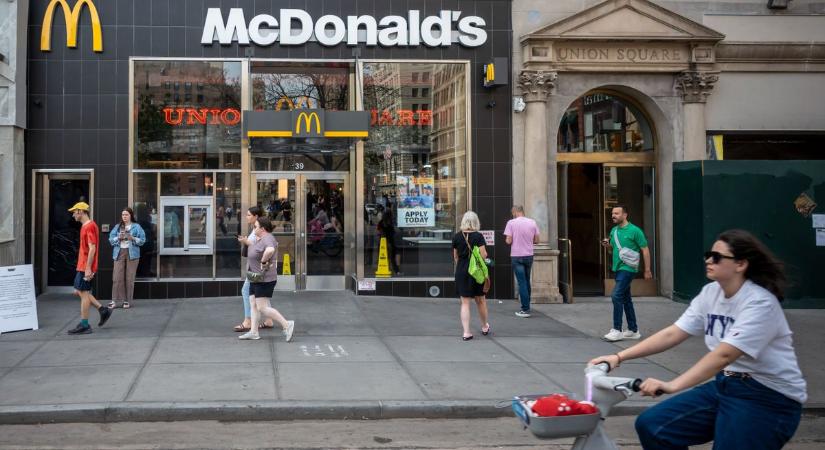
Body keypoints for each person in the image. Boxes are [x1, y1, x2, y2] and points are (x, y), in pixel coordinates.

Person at [589, 229, 807, 450]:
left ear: (740, 264)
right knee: (653, 426)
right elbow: (674, 333)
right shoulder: (711, 293)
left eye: (717, 257)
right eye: (708, 255)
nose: (709, 261)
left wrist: (672, 385)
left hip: (768, 397)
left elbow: (724, 355)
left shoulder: (760, 303)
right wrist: (619, 356)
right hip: (727, 385)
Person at [239, 216, 295, 342]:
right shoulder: (261, 238)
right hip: (255, 277)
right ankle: (254, 332)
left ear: (262, 229)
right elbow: (256, 250)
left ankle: (287, 324)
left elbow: (270, 249)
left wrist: (264, 260)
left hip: (264, 279)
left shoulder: (268, 238)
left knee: (262, 307)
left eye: (256, 227)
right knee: (253, 303)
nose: (254, 229)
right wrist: (247, 243)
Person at [600, 205, 652, 341]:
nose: (613, 215)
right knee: (626, 298)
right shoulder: (613, 231)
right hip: (617, 267)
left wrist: (647, 270)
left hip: (628, 268)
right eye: (612, 213)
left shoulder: (635, 231)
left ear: (625, 215)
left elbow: (645, 250)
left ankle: (617, 329)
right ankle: (633, 330)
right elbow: (613, 250)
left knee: (616, 296)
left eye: (617, 213)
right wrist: (608, 246)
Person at [67, 202, 112, 335]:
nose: (73, 214)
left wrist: (88, 268)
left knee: (84, 293)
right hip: (82, 265)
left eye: (74, 212)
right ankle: (102, 310)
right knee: (79, 291)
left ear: (81, 211)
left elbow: (92, 248)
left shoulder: (90, 226)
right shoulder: (85, 226)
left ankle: (85, 325)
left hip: (85, 267)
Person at [452, 211, 491, 341]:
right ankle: (485, 326)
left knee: (465, 303)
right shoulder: (478, 236)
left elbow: (455, 256)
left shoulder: (457, 237)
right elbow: (484, 254)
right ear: (476, 222)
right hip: (476, 271)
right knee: (481, 300)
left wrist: (463, 265)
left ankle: (466, 332)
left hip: (462, 270)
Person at [234, 207, 273, 332]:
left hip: (256, 269)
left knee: (247, 291)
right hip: (255, 268)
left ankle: (248, 321)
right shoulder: (255, 230)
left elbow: (260, 248)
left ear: (256, 217)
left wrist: (246, 242)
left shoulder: (260, 232)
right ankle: (268, 320)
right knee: (261, 296)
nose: (246, 217)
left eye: (249, 215)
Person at [504, 205, 540, 318]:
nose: (512, 215)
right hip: (529, 255)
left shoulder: (511, 223)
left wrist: (509, 239)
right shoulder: (532, 222)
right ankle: (527, 305)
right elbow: (537, 240)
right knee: (526, 280)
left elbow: (508, 241)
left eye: (512, 212)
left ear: (515, 211)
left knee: (522, 282)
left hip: (517, 255)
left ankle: (525, 309)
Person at [107, 207, 146, 309]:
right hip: (119, 252)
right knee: (116, 277)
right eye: (123, 215)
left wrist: (132, 238)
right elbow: (111, 240)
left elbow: (142, 240)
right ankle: (114, 300)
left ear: (131, 216)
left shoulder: (136, 227)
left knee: (129, 278)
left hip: (132, 254)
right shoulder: (117, 226)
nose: (124, 216)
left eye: (126, 215)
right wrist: (118, 237)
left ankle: (127, 301)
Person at [377, 210, 400, 274]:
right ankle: (396, 271)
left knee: (383, 257)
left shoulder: (381, 223)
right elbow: (393, 232)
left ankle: (387, 269)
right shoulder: (390, 224)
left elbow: (379, 232)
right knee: (392, 257)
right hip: (389, 242)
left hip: (382, 243)